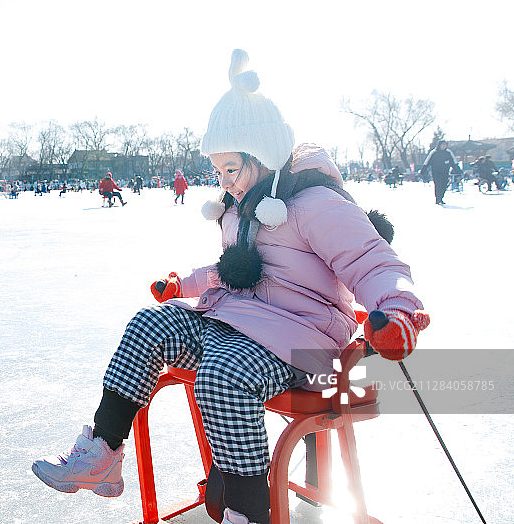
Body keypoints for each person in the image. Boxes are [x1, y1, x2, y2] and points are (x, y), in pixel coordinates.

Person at [31, 49, 430, 524]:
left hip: (301, 339)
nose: (225, 182)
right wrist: (186, 283)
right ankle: (102, 455)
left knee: (223, 376)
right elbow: (234, 269)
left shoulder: (313, 202)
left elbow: (372, 261)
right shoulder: (240, 206)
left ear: (262, 156)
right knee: (146, 327)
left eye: (232, 169)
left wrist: (399, 310)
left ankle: (248, 513)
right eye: (217, 171)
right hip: (233, 321)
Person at [421, 140, 459, 205]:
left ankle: (441, 197)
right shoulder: (434, 152)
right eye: (442, 145)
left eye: (445, 145)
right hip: (436, 172)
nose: (444, 146)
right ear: (439, 145)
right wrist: (423, 170)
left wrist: (458, 170)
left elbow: (454, 162)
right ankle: (438, 199)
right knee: (438, 184)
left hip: (445, 172)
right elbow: (427, 162)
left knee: (444, 185)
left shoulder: (448, 152)